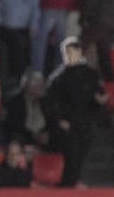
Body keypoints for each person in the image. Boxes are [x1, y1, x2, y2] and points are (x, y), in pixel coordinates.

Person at [44, 37, 106, 187]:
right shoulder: (58, 78)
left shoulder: (90, 74)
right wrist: (59, 120)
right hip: (68, 123)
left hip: (86, 121)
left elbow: (98, 93)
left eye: (72, 52)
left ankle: (71, 184)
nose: (69, 56)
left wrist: (100, 100)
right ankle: (68, 186)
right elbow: (50, 103)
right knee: (72, 155)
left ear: (79, 53)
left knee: (81, 156)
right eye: (66, 53)